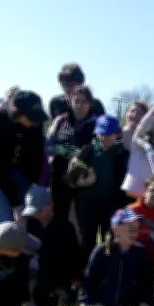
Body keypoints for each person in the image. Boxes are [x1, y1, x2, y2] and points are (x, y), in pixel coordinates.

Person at [78, 209, 154, 306]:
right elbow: (89, 278)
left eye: (136, 229)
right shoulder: (101, 250)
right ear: (116, 229)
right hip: (101, 299)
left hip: (125, 303)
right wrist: (86, 301)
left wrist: (144, 302)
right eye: (130, 228)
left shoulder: (140, 252)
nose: (134, 232)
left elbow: (145, 281)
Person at [0, 90, 47, 224]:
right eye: (31, 118)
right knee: (6, 221)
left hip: (20, 169)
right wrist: (16, 205)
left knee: (27, 216)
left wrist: (33, 189)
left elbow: (36, 158)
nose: (36, 123)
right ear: (16, 112)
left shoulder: (35, 123)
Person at [72, 115, 129, 265]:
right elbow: (70, 179)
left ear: (116, 134)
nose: (104, 138)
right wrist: (80, 182)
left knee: (109, 242)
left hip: (111, 206)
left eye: (109, 134)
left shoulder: (121, 153)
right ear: (96, 133)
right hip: (88, 206)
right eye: (101, 134)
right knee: (86, 242)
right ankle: (85, 274)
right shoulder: (87, 151)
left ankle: (106, 273)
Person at [46, 85, 101, 218]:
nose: (80, 105)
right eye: (76, 101)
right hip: (60, 178)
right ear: (70, 102)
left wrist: (81, 163)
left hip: (85, 179)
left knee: (83, 221)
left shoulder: (98, 123)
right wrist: (64, 150)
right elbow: (47, 147)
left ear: (90, 103)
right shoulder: (60, 120)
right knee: (59, 218)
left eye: (84, 102)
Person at [22, 185, 80, 306]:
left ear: (50, 205)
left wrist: (74, 279)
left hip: (59, 275)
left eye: (38, 211)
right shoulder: (32, 224)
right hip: (37, 273)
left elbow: (73, 258)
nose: (36, 215)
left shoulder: (65, 227)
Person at [124, 106, 154, 199]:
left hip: (148, 200)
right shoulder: (137, 148)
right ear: (150, 136)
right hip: (128, 196)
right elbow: (141, 126)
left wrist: (150, 151)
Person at [126, 175, 154, 267]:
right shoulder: (132, 210)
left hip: (151, 263)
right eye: (153, 190)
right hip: (130, 260)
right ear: (144, 192)